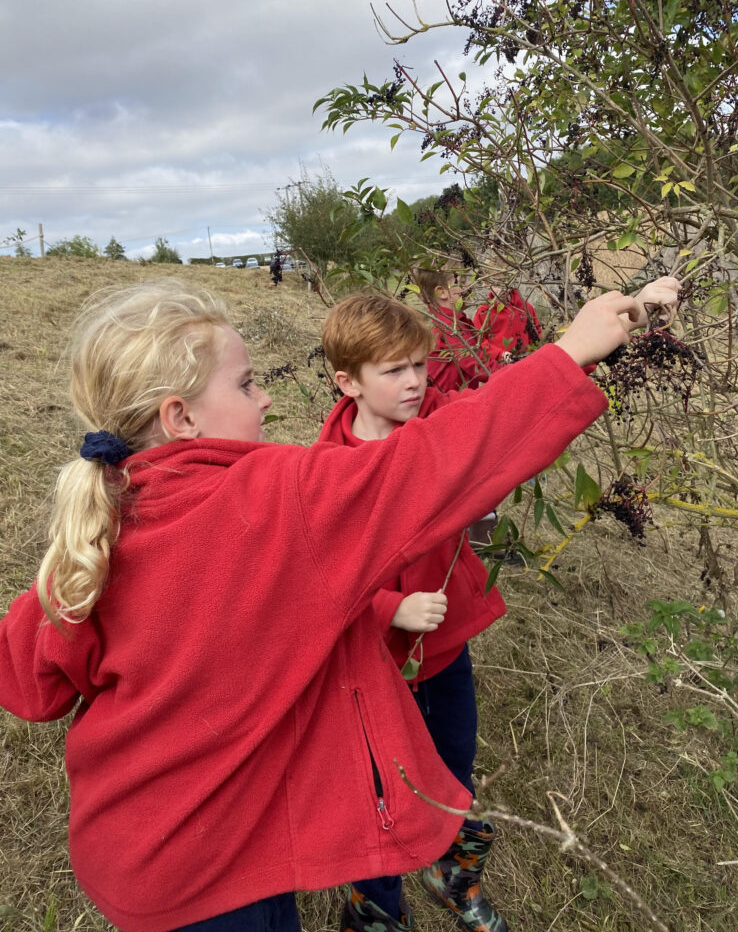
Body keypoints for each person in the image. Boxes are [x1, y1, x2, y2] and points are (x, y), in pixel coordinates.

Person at [0, 278, 663, 932]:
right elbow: (437, 459)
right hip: (221, 878)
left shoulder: (92, 536)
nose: (264, 400)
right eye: (246, 383)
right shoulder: (278, 500)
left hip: (124, 859)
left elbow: (29, 686)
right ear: (182, 416)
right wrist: (569, 352)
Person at [318, 276, 681, 932]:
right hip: (372, 671)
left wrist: (636, 306)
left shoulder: (437, 422)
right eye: (393, 370)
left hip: (444, 652)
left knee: (455, 770)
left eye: (420, 365)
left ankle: (454, 875)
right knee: (379, 792)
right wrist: (387, 610)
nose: (414, 381)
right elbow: (315, 579)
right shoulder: (326, 473)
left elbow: (512, 401)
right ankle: (373, 908)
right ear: (348, 383)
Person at [415, 267, 498, 393]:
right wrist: (515, 370)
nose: (470, 285)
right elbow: (479, 366)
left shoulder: (448, 322)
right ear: (442, 292)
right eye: (462, 281)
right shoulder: (450, 327)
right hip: (449, 407)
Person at [473, 285, 543, 361]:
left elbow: (536, 331)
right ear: (488, 285)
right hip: (500, 365)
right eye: (496, 286)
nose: (501, 289)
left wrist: (533, 352)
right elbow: (479, 341)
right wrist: (500, 354)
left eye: (504, 284)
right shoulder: (484, 312)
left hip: (526, 360)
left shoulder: (524, 306)